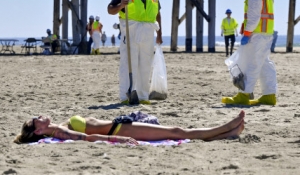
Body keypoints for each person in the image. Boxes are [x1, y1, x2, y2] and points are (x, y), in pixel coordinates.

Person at [14, 110, 245, 144]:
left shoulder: (57, 126)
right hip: (120, 131)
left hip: (119, 126)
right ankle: (225, 128)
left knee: (176, 131)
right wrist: (119, 140)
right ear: (38, 131)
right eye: (37, 120)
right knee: (176, 132)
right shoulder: (60, 132)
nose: (40, 117)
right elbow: (86, 138)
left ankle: (228, 132)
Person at [222, 0, 277, 106]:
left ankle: (244, 94)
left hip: (256, 35)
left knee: (252, 64)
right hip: (267, 33)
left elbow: (254, 17)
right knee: (264, 64)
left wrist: (247, 33)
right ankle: (269, 95)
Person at [107, 0, 163, 105]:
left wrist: (159, 34)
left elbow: (157, 14)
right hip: (130, 31)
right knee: (128, 64)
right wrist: (121, 5)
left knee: (145, 65)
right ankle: (125, 96)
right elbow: (110, 10)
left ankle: (143, 96)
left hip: (148, 32)